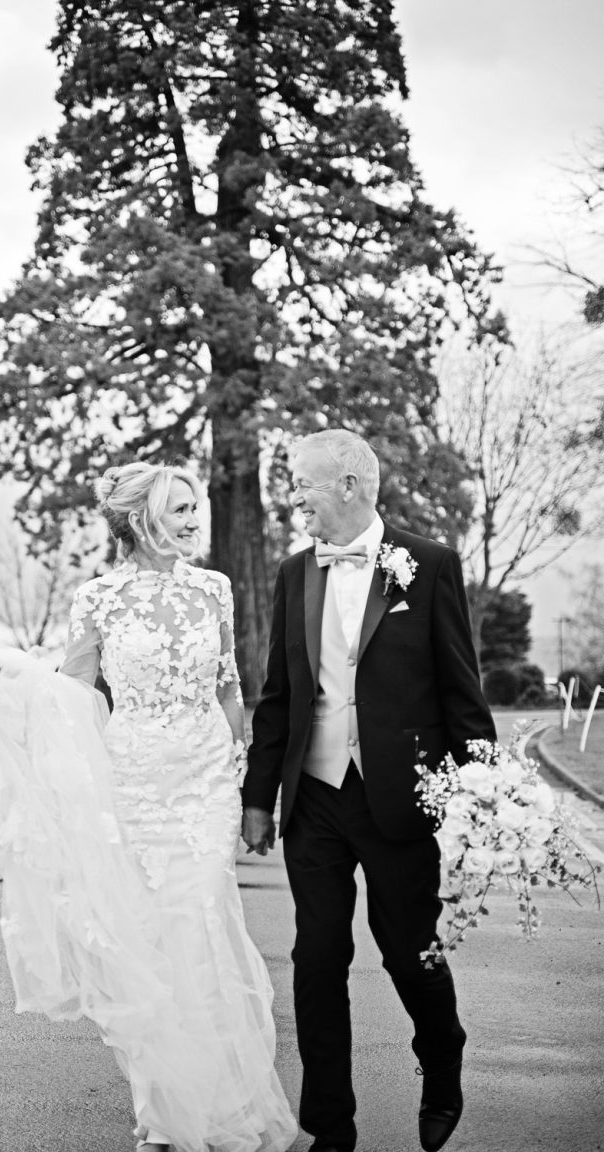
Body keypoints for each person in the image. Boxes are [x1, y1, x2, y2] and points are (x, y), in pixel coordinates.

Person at [0, 461, 296, 1152]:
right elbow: (75, 693)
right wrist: (20, 681)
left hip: (205, 785)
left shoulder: (215, 589)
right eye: (179, 509)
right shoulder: (99, 599)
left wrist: (234, 763)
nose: (193, 520)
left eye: (194, 507)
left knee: (201, 933)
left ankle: (228, 1109)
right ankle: (163, 1111)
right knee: (153, 948)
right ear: (140, 517)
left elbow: (230, 685)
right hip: (135, 782)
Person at [241, 429, 496, 1152]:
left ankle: (442, 1055)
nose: (294, 499)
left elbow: (462, 693)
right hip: (315, 796)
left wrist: (480, 799)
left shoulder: (432, 566)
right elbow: (279, 695)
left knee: (408, 948)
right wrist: (260, 797)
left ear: (349, 485)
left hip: (399, 797)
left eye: (303, 485)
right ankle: (330, 1127)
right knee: (316, 957)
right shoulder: (296, 574)